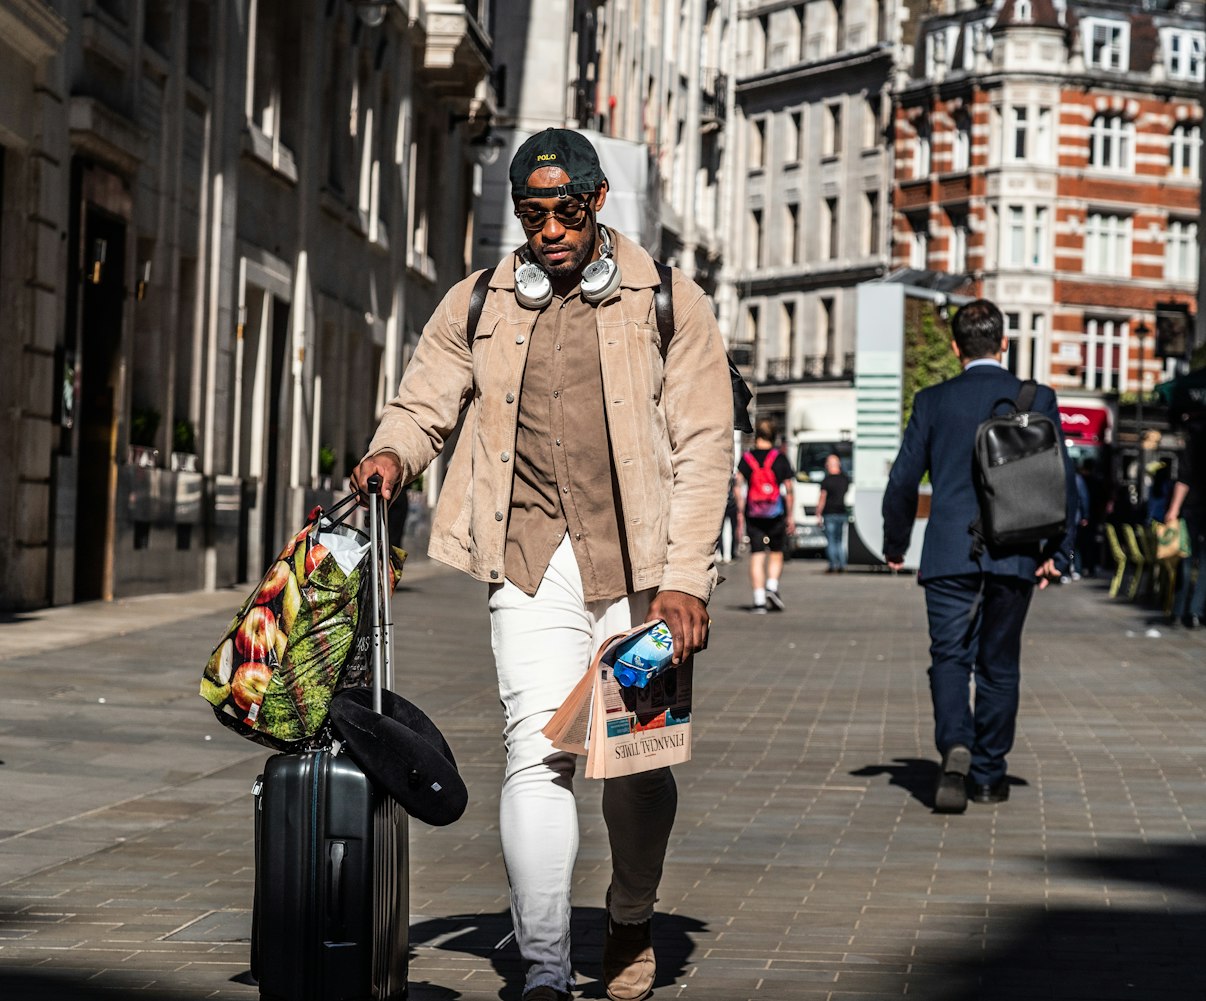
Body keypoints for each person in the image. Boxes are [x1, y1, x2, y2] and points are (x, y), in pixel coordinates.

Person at [350, 128, 733, 1001]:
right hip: (529, 557)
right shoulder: (480, 299)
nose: (550, 228)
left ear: (597, 203)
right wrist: (390, 455)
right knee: (536, 752)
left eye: (564, 210)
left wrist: (684, 578)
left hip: (639, 567)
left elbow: (707, 444)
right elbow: (424, 401)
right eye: (532, 213)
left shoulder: (669, 302)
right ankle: (546, 967)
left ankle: (631, 914)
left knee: (635, 761)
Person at [881, 299, 1072, 814]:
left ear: (955, 347)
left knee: (949, 657)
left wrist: (895, 542)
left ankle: (954, 748)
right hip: (1015, 554)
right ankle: (989, 774)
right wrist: (1059, 550)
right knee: (999, 664)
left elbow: (902, 480)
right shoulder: (1038, 397)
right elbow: (1062, 480)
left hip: (947, 553)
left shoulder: (933, 400)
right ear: (1004, 343)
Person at [736, 419, 795, 613]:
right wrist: (791, 516)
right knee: (776, 552)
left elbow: (738, 484)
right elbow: (788, 487)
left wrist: (740, 511)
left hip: (754, 513)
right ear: (774, 436)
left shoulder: (747, 458)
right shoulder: (779, 458)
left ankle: (759, 600)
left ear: (757, 436)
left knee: (757, 554)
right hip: (775, 513)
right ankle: (772, 586)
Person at [1164, 415, 1206, 629]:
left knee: (1186, 560)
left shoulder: (1193, 442)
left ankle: (1179, 610)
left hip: (1192, 509)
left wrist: (1173, 509)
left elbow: (1184, 479)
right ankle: (1196, 612)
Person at [816, 453, 850, 574]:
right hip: (842, 512)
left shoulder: (826, 480)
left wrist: (818, 512)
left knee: (831, 540)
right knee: (839, 540)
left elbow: (822, 498)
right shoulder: (845, 479)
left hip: (829, 513)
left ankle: (833, 564)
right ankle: (842, 564)